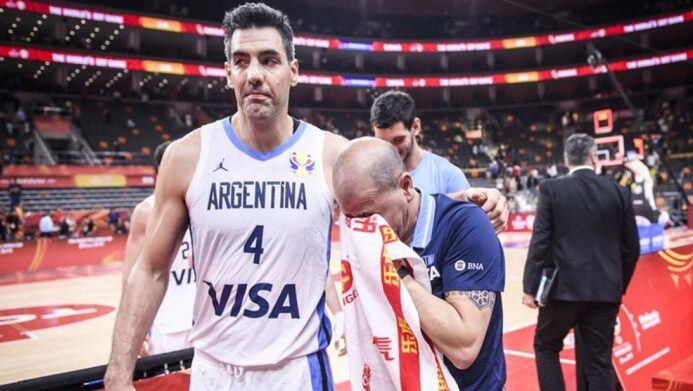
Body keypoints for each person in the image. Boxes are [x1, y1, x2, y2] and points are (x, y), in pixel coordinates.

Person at [104, 4, 508, 390]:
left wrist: (471, 199)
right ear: (227, 73)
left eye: (269, 59)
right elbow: (151, 270)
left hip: (298, 370)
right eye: (241, 61)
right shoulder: (187, 157)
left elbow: (393, 197)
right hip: (214, 367)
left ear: (293, 71)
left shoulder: (330, 154)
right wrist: (118, 373)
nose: (255, 73)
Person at [333, 138, 507, 390]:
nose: (363, 227)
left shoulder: (465, 225)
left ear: (405, 186)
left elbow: (464, 346)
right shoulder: (361, 228)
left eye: (369, 215)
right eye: (352, 218)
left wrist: (395, 270)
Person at [522, 133, 640, 391]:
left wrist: (530, 287)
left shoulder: (552, 189)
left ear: (566, 159)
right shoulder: (619, 192)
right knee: (599, 362)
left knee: (546, 346)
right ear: (594, 157)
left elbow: (540, 241)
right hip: (605, 292)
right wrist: (617, 285)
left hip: (563, 290)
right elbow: (632, 248)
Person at [371, 90, 508, 231]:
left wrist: (494, 204)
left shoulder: (448, 175)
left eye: (398, 140)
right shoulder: (370, 177)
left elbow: (470, 231)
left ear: (415, 127)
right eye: (383, 142)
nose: (391, 149)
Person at [122, 141, 195, 356]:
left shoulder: (206, 203)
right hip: (169, 322)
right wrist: (133, 328)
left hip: (208, 317)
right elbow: (131, 275)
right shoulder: (146, 211)